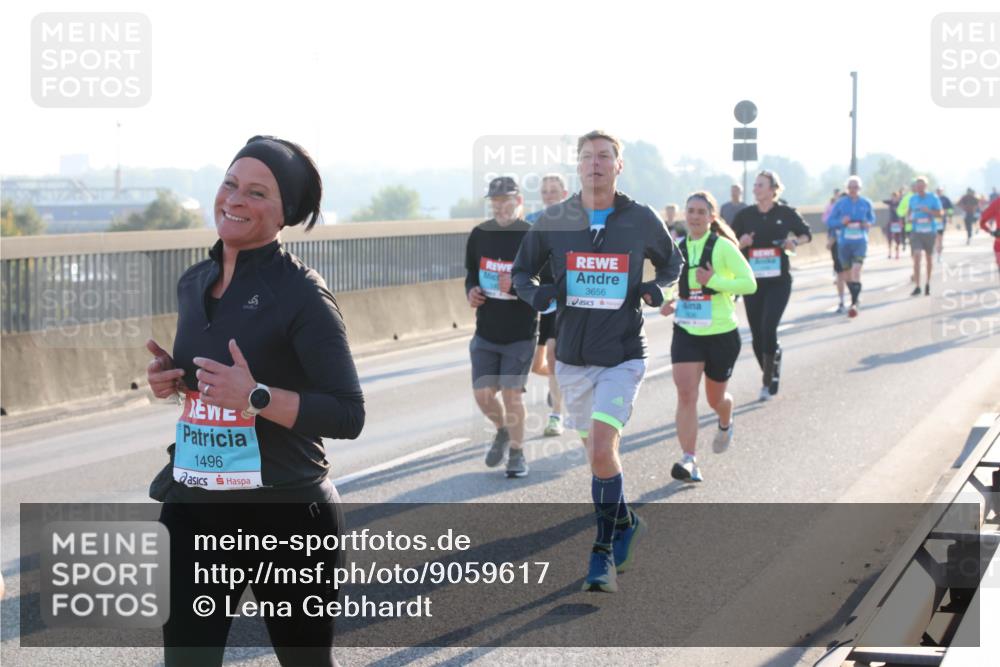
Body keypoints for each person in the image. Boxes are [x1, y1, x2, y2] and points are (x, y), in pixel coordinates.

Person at [147, 135, 365, 667]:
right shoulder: (193, 282)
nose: (235, 200)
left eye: (256, 192)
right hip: (194, 508)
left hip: (287, 515)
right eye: (230, 184)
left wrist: (257, 397)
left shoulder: (302, 294)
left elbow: (347, 413)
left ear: (284, 212)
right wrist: (172, 382)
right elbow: (210, 386)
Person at [512, 130, 681, 593]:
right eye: (586, 157)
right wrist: (538, 295)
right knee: (597, 457)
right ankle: (625, 520)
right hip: (572, 357)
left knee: (604, 448)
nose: (595, 164)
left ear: (618, 166)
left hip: (622, 355)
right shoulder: (554, 219)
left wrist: (657, 287)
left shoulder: (640, 218)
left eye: (604, 156)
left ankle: (602, 554)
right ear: (577, 165)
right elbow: (521, 272)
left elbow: (673, 262)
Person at [660, 192, 756, 483]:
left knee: (716, 399)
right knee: (686, 394)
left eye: (702, 212)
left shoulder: (723, 247)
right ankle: (689, 460)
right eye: (691, 211)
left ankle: (725, 419)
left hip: (721, 334)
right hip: (687, 331)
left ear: (712, 217)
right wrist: (668, 300)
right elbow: (670, 282)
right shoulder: (678, 248)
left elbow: (749, 284)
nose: (695, 216)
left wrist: (713, 281)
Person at [465, 176, 537, 478]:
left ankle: (518, 455)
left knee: (512, 396)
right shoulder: (479, 234)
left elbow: (546, 284)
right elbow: (471, 274)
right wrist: (471, 291)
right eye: (495, 202)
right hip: (486, 330)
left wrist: (519, 286)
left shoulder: (532, 236)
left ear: (518, 201)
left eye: (505, 201)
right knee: (483, 395)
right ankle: (503, 430)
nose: (500, 207)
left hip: (520, 332)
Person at [731, 171, 812, 401]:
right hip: (753, 283)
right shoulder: (745, 215)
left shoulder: (785, 213)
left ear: (773, 189)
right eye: (755, 185)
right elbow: (726, 242)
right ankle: (771, 365)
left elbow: (807, 234)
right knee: (757, 336)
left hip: (778, 282)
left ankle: (767, 379)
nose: (755, 189)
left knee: (768, 327)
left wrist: (793, 241)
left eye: (760, 185)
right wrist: (741, 242)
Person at [527, 173, 569, 436]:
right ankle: (562, 386)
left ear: (564, 194)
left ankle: (556, 415)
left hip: (566, 300)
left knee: (553, 355)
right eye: (545, 191)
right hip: (542, 301)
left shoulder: (577, 222)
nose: (549, 195)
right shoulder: (533, 223)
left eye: (554, 191)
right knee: (537, 365)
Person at [826, 176, 876, 318]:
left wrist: (868, 223)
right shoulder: (840, 204)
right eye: (850, 187)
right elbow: (830, 222)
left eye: (856, 187)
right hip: (844, 243)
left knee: (856, 270)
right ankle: (855, 297)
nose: (853, 190)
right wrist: (841, 221)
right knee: (847, 274)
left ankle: (854, 303)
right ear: (847, 189)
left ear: (860, 189)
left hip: (860, 241)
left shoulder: (866, 203)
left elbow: (872, 218)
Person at [906, 176, 943, 297]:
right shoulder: (912, 199)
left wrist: (929, 211)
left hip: (929, 232)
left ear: (926, 186)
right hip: (916, 232)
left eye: (922, 186)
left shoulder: (933, 198)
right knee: (916, 257)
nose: (920, 188)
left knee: (928, 259)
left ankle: (927, 283)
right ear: (915, 187)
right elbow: (909, 214)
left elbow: (940, 214)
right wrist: (910, 218)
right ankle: (917, 286)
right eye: (918, 186)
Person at [824, 189, 848, 312]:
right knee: (840, 273)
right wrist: (831, 239)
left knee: (849, 274)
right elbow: (829, 224)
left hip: (851, 246)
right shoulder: (835, 211)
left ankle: (854, 297)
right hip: (837, 245)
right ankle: (842, 301)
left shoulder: (855, 210)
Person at [979, 195, 1000, 276]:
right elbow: (982, 222)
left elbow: (982, 222)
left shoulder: (997, 203)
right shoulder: (997, 203)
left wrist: (990, 231)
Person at [883, 189, 904, 259]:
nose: (893, 198)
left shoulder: (900, 203)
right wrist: (891, 201)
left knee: (897, 239)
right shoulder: (890, 203)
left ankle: (897, 253)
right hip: (891, 222)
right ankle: (889, 252)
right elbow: (884, 201)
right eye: (892, 197)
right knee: (889, 238)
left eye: (895, 197)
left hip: (897, 222)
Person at [935, 187, 953, 261]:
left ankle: (939, 254)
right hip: (933, 221)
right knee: (935, 238)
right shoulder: (933, 198)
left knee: (940, 238)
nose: (939, 192)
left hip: (941, 221)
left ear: (942, 191)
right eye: (938, 191)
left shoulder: (945, 199)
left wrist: (950, 217)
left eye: (940, 191)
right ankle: (936, 251)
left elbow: (950, 209)